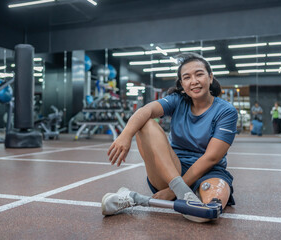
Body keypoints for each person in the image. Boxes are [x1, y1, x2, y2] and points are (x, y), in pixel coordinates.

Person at [102, 53, 238, 222]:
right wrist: (125, 135)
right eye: (187, 77)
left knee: (209, 212)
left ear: (210, 77)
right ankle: (184, 193)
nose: (194, 81)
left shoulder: (226, 111)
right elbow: (145, 110)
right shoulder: (177, 100)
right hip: (172, 171)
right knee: (146, 123)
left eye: (199, 74)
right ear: (182, 84)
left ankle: (132, 197)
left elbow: (212, 158)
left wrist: (172, 191)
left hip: (208, 172)